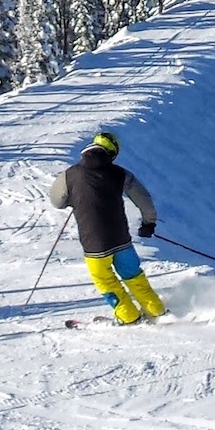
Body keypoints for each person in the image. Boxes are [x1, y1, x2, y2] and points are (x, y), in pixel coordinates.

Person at [46, 129, 166, 324]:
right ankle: (156, 310)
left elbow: (56, 201)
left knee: (105, 281)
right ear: (112, 153)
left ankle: (128, 316)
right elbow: (143, 199)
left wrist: (74, 199)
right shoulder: (120, 174)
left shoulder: (70, 175)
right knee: (134, 275)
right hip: (121, 238)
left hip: (94, 243)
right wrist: (148, 223)